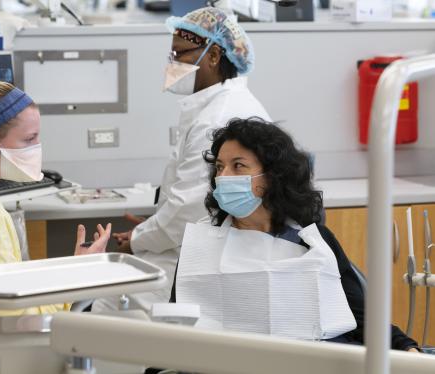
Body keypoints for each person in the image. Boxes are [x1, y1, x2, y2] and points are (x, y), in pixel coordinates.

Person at [170, 117, 419, 351]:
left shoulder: (314, 240)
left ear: (272, 177)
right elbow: (174, 330)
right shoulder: (200, 245)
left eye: (238, 166)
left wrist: (406, 347)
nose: (223, 177)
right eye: (220, 167)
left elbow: (363, 319)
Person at [95, 7, 270, 313]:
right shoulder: (216, 105)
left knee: (108, 306)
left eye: (180, 54)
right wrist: (150, 230)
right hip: (198, 245)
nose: (173, 63)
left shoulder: (218, 117)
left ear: (214, 56)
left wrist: (140, 239)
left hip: (204, 258)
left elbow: (189, 209)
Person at [0, 81, 110, 321]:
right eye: (29, 139)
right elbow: (8, 317)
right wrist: (78, 275)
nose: (36, 148)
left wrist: (73, 268)